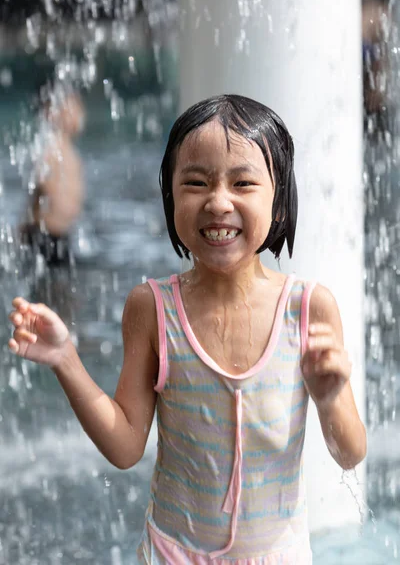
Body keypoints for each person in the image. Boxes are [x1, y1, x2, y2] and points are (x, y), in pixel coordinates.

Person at [8, 95, 366, 564]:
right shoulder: (153, 308)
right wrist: (65, 359)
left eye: (243, 183)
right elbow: (125, 445)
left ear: (278, 202)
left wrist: (328, 396)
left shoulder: (306, 309)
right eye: (195, 182)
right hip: (171, 555)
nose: (218, 201)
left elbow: (349, 453)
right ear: (171, 197)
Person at [20, 84, 86, 266]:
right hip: (45, 235)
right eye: (73, 107)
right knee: (50, 287)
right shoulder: (49, 149)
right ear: (52, 113)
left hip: (61, 234)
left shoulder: (68, 150)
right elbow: (38, 188)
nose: (80, 114)